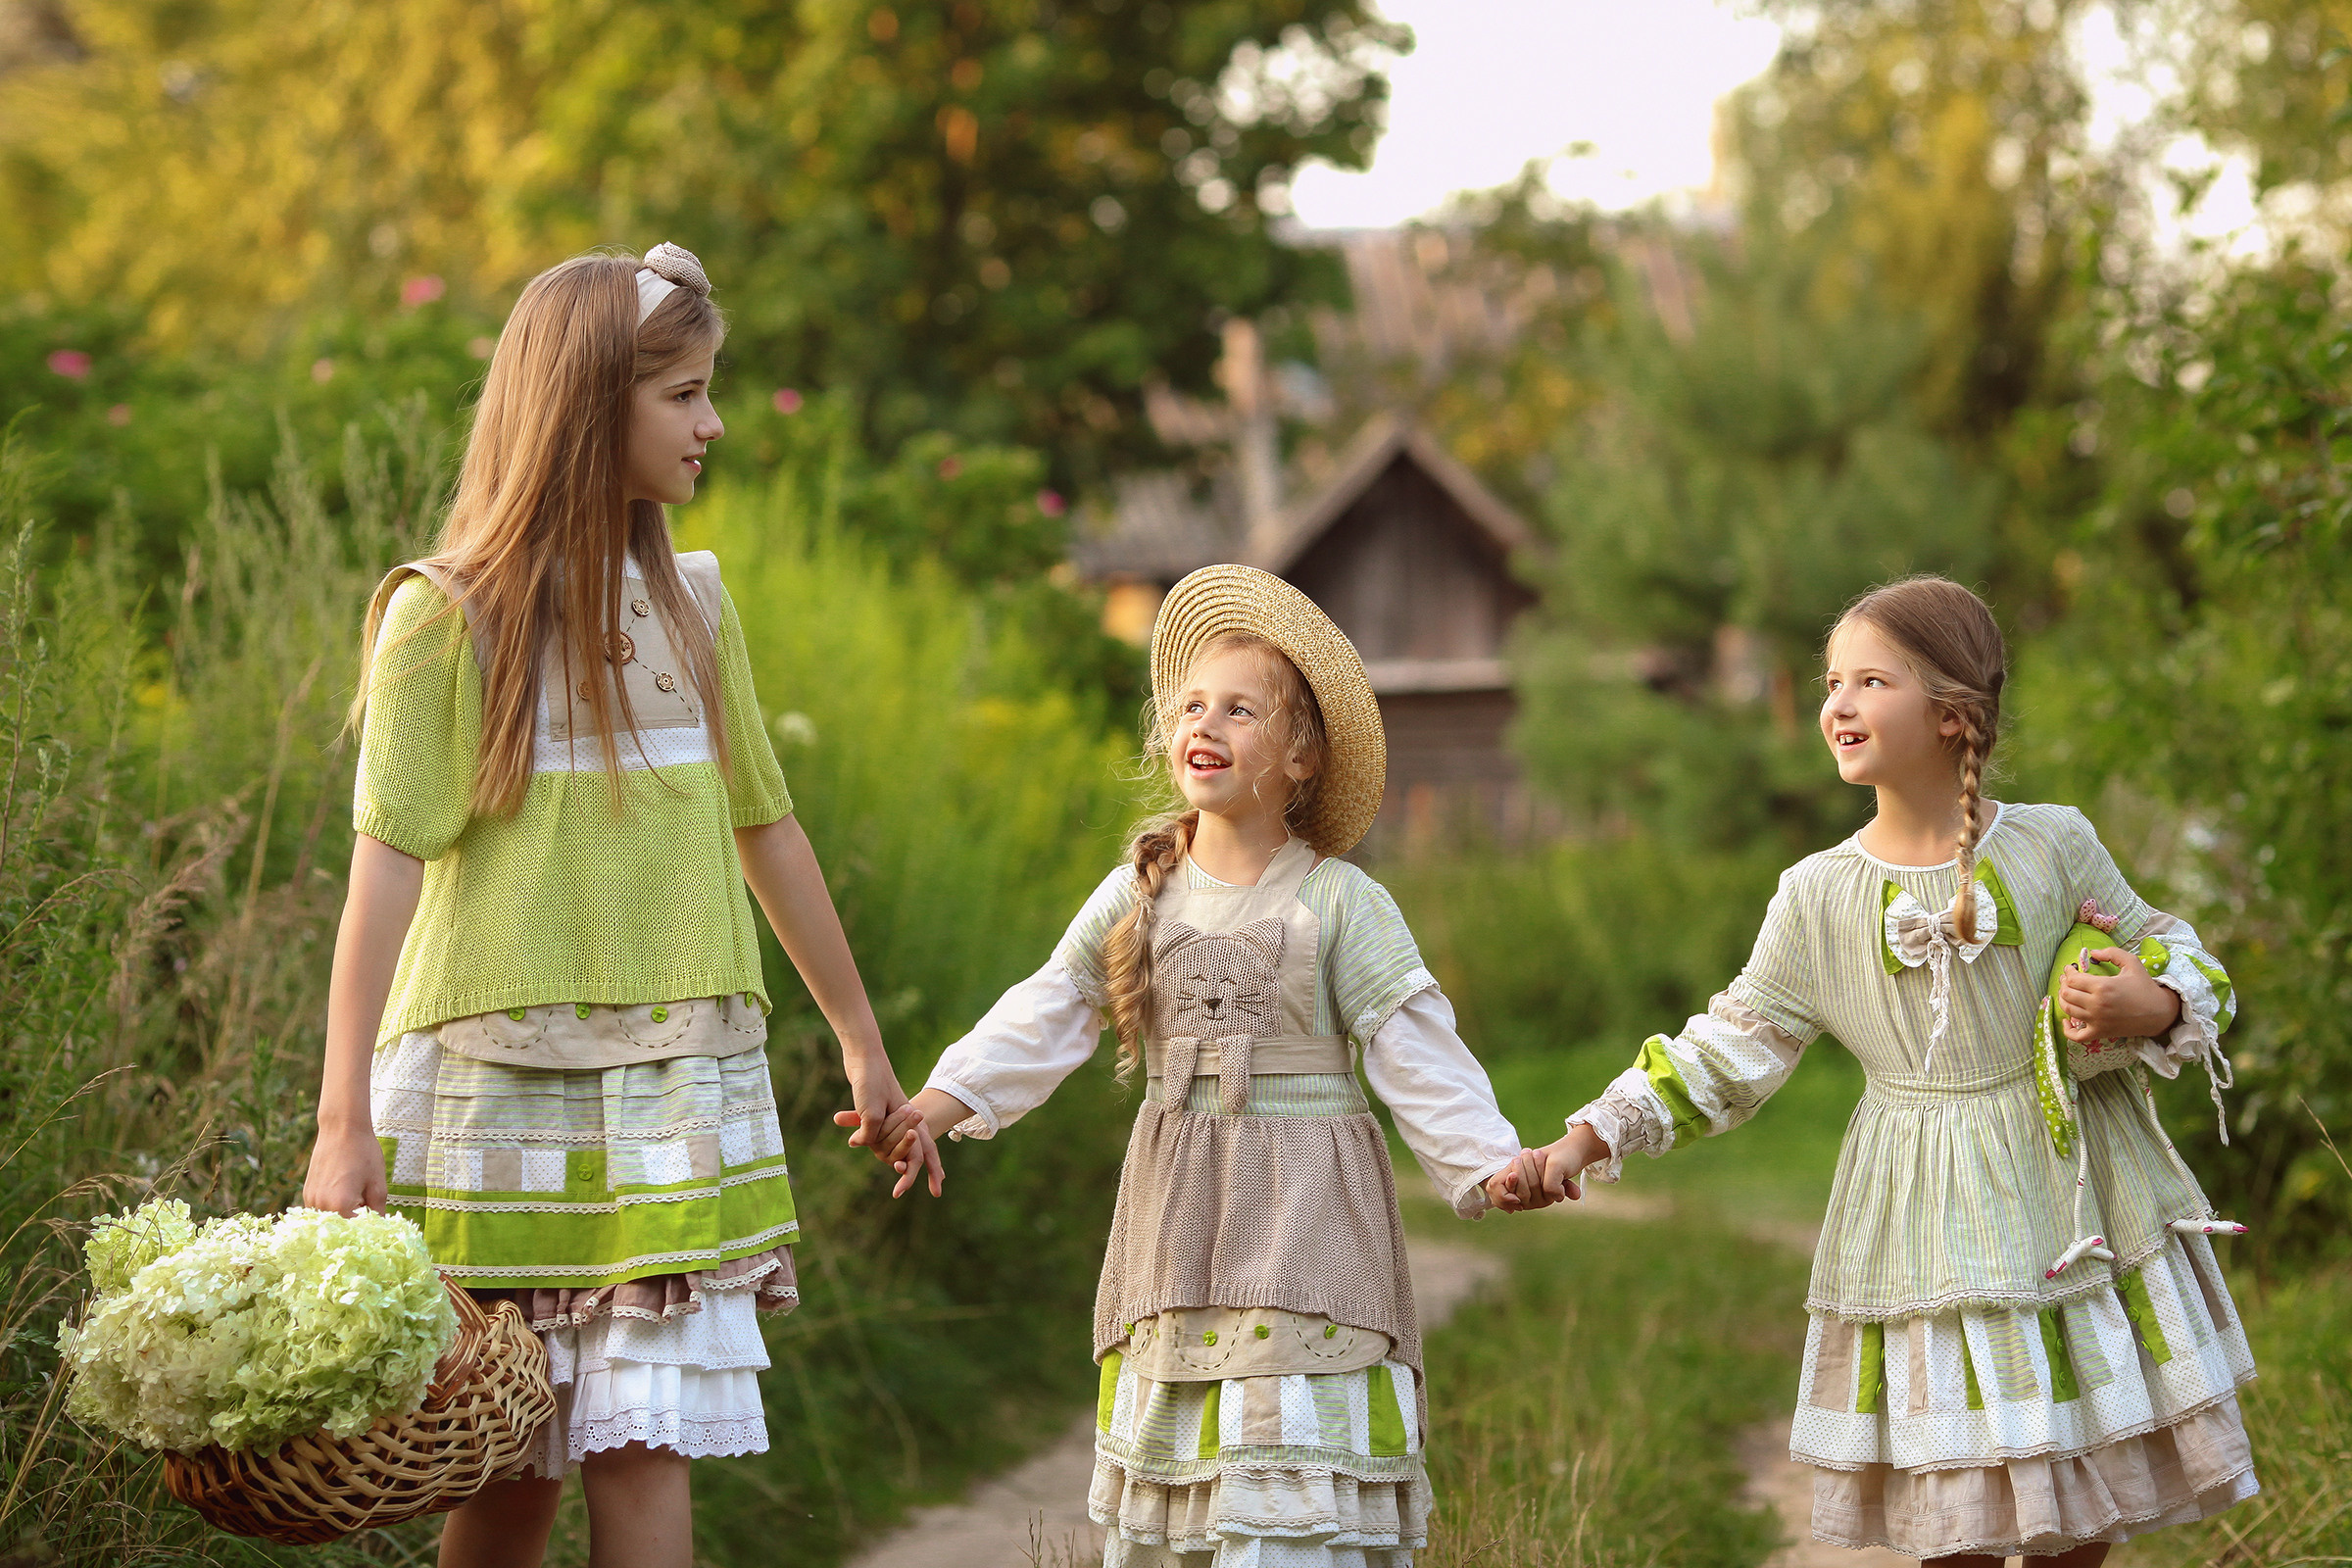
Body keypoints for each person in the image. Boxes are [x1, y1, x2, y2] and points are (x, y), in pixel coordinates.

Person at [300, 242, 939, 1568]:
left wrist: (864, 1042)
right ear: (591, 407)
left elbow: (768, 827)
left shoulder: (695, 607)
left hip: (669, 1091)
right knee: (502, 1465)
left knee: (645, 1452)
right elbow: (384, 874)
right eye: (685, 394)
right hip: (491, 1093)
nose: (713, 423)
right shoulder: (446, 618)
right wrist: (342, 1126)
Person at [1529, 575, 2256, 1566]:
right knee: (1951, 1505)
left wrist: (2153, 998)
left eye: (1871, 679)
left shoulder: (2053, 844)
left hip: (2069, 1190)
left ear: (1954, 714)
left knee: (2076, 1506)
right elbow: (1730, 1042)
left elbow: (2173, 944)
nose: (1837, 702)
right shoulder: (1816, 895)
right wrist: (1592, 1133)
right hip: (1921, 1211)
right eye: (1834, 681)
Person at [875, 564, 1550, 1568]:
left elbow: (1415, 1046)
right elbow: (1052, 1006)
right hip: (1179, 1218)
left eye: (1242, 709)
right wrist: (940, 1101)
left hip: (1307, 1213)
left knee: (1281, 1474)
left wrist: (1489, 1160)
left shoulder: (1340, 902)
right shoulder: (1138, 894)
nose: (1208, 723)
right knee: (1192, 1469)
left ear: (1303, 753)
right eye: (1194, 705)